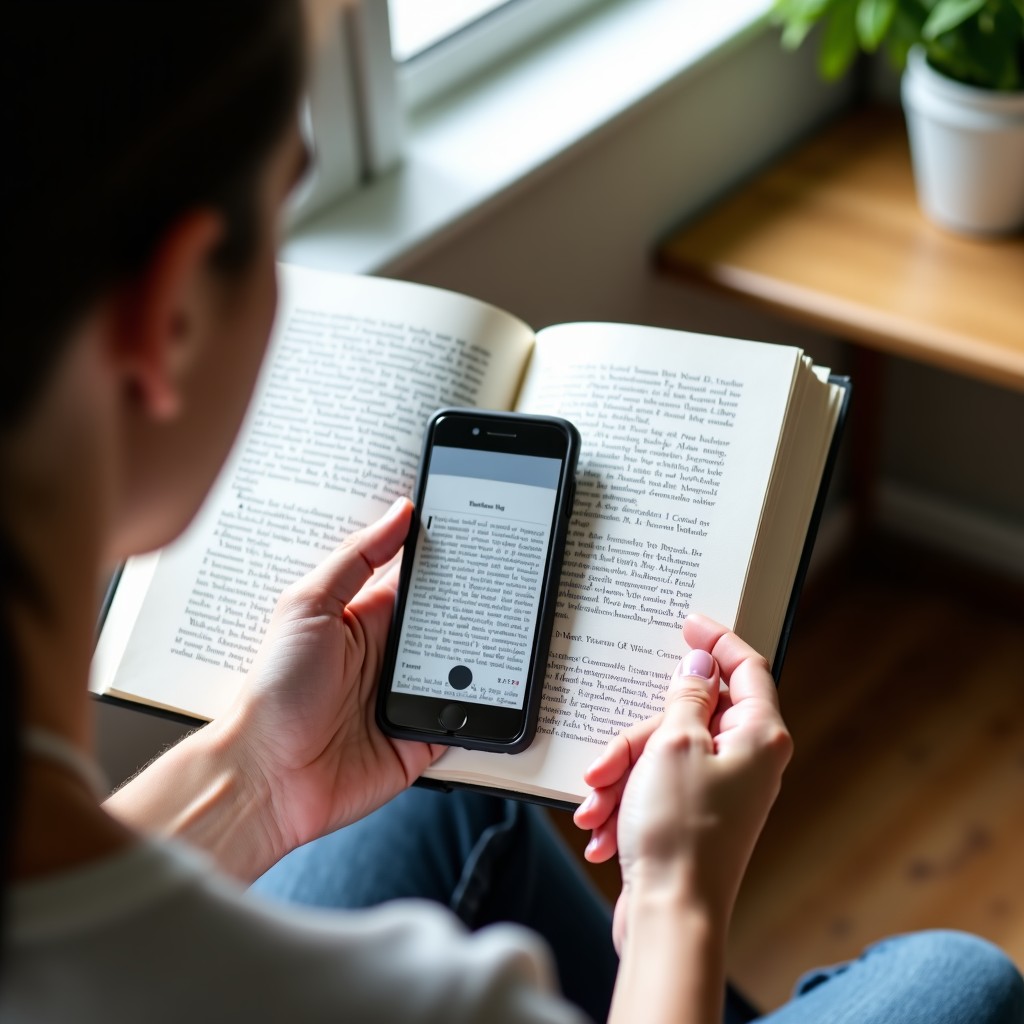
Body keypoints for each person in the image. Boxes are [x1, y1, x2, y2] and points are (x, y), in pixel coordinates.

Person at [2, 3, 1022, 1022]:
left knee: (418, 818)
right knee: (955, 984)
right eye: (281, 217)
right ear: (168, 317)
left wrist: (261, 773)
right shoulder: (438, 998)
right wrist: (674, 899)